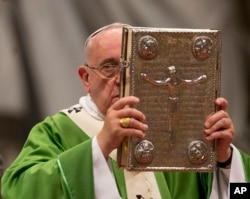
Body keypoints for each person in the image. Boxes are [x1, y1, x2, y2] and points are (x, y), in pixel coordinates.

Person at [1, 23, 249, 199]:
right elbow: (17, 191)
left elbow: (242, 193)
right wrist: (99, 147)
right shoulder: (59, 130)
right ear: (86, 78)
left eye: (134, 66)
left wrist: (226, 161)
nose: (123, 78)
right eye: (110, 66)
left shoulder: (180, 132)